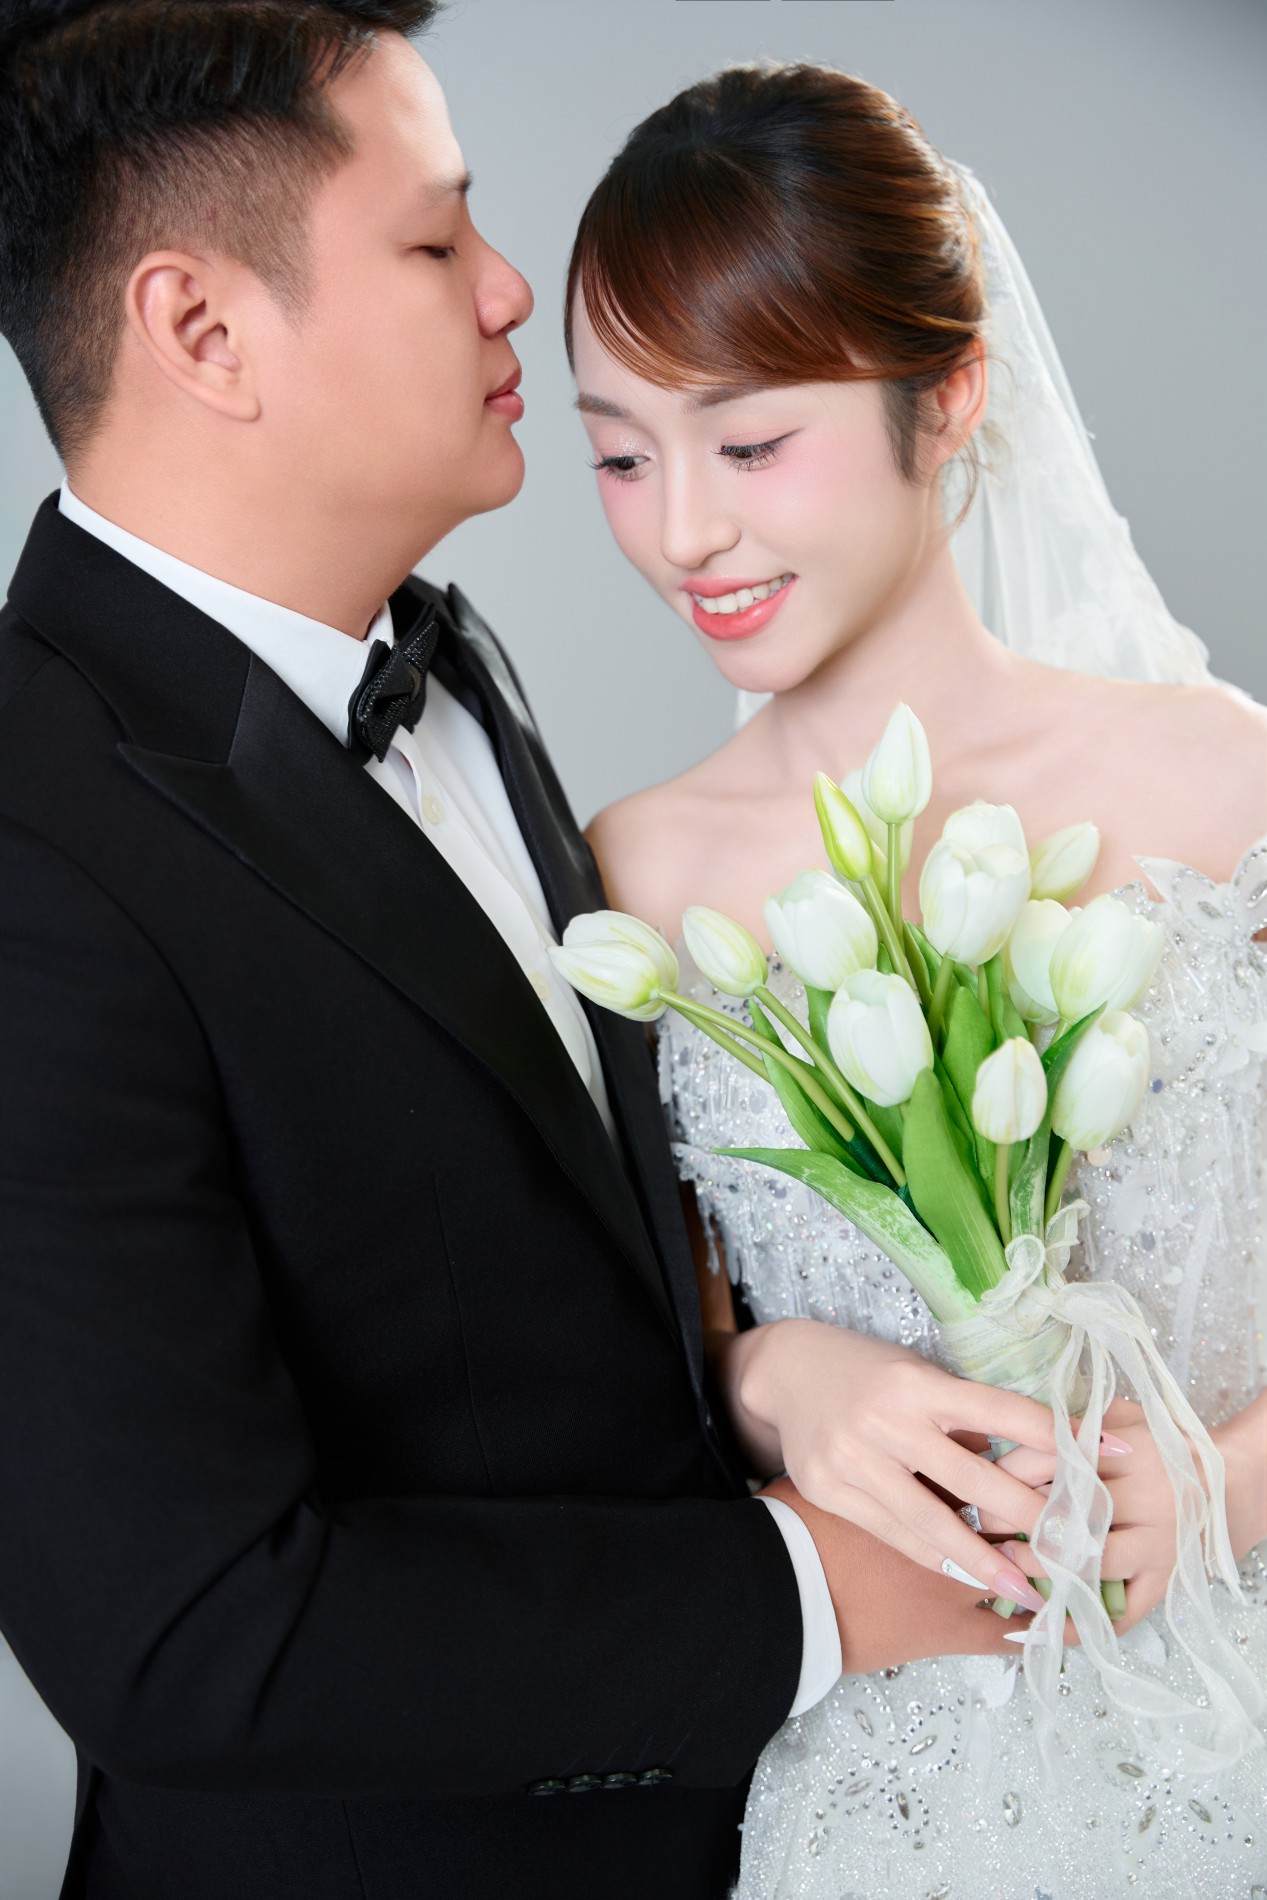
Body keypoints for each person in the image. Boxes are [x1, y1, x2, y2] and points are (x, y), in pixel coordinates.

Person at [0, 10, 1063, 1898]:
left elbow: (543, 1285)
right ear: (202, 330)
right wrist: (814, 1591)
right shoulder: (31, 835)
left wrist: (763, 1375)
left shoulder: (445, 658)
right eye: (434, 239)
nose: (511, 290)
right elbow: (192, 1635)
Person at [569, 60, 1267, 1898]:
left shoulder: (1225, 783)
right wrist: (775, 1378)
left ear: (946, 391)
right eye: (622, 456)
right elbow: (620, 1353)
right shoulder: (631, 879)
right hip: (892, 1782)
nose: (683, 531)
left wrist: (1231, 1484)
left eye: (748, 444)